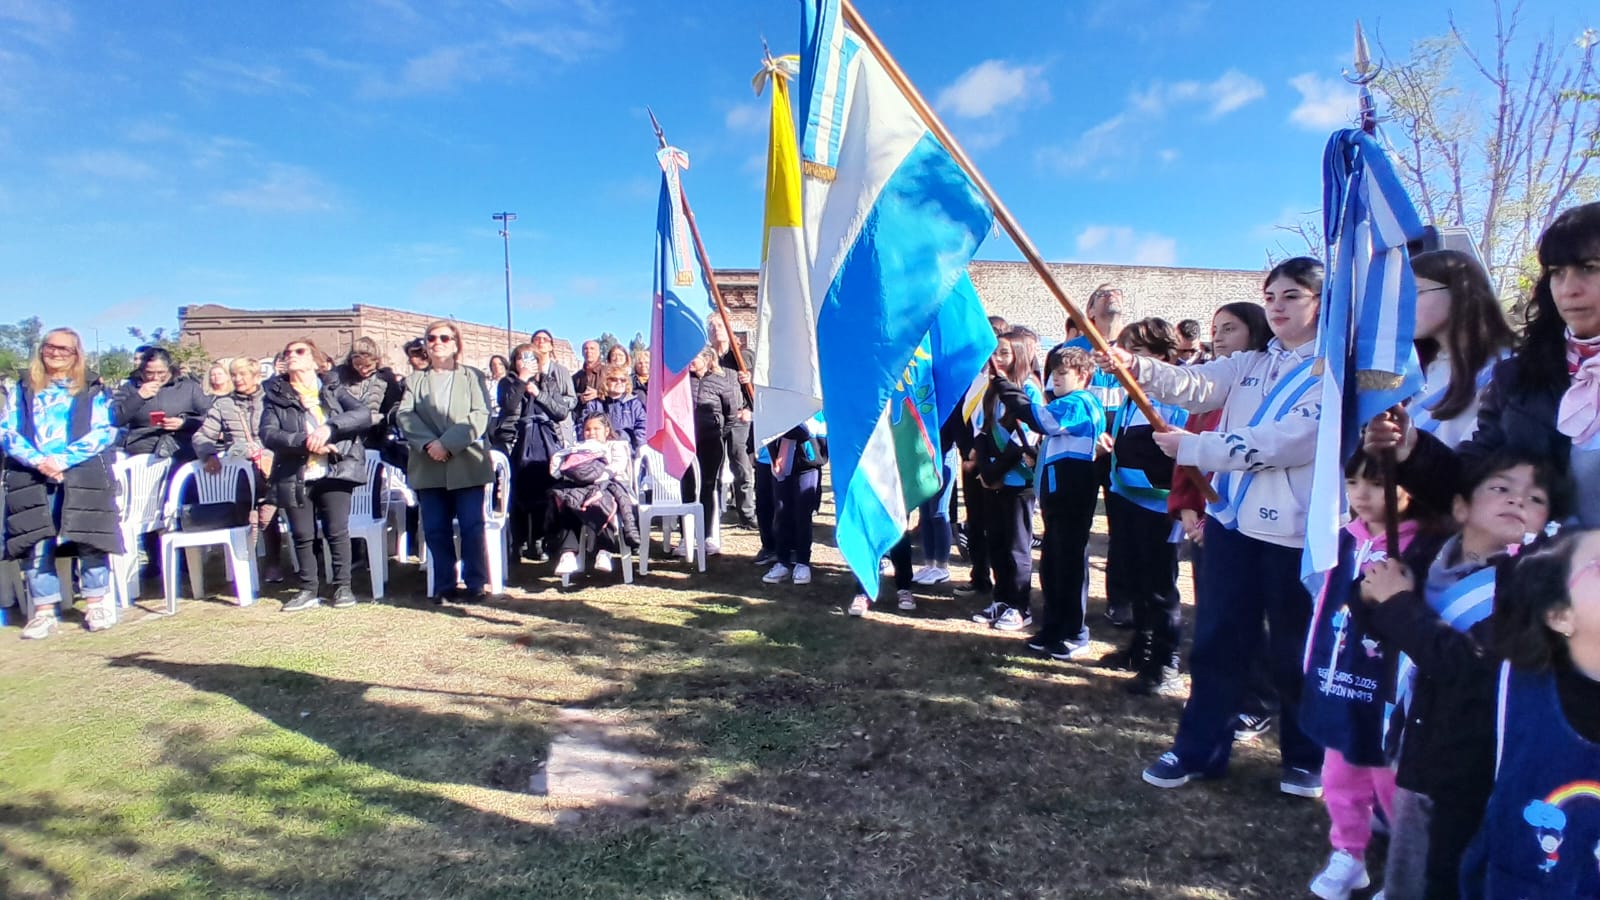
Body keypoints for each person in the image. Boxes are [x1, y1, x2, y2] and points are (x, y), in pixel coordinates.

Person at [1111, 257, 1327, 798]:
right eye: (1271, 295)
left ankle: (1305, 756)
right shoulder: (1250, 363)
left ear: (1323, 303)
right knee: (1217, 642)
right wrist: (1133, 366)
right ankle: (1199, 749)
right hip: (1233, 525)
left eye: (1292, 296)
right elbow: (1193, 385)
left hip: (1298, 535)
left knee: (1294, 649)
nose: (1277, 306)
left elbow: (1292, 439)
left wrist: (1198, 449)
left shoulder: (1334, 371)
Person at [1356, 456, 1570, 899]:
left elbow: (1468, 667)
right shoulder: (1428, 553)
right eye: (1501, 488)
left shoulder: (1526, 589)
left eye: (1536, 498)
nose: (1517, 499)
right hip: (1413, 735)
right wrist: (1369, 595)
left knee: (1447, 865)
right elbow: (1376, 614)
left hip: (1469, 757)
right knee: (1410, 848)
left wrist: (1396, 603)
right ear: (1460, 508)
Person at [1368, 202, 1600, 530]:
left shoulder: (1495, 364)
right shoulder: (1520, 377)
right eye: (1557, 272)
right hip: (1550, 572)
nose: (1569, 288)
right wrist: (1413, 451)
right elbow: (1473, 483)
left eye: (1590, 267)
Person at [1296, 449, 1448, 900]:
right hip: (1339, 679)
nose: (1361, 495)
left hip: (1388, 691)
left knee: (1390, 779)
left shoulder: (1425, 548)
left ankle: (1404, 869)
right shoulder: (1340, 538)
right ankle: (1348, 853)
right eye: (1353, 483)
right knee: (1339, 772)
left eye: (1376, 483)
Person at [1165, 302, 1277, 737]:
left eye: (1230, 328)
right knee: (1213, 611)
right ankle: (1215, 694)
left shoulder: (1265, 392)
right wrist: (1192, 511)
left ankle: (1258, 698)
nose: (1219, 336)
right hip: (1205, 519)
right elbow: (1188, 458)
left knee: (1249, 615)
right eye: (1215, 329)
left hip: (1247, 520)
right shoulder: (1210, 390)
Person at [2, 329, 121, 639]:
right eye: (50, 347)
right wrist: (39, 461)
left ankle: (96, 603)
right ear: (41, 350)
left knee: (89, 537)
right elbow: (8, 431)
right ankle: (43, 611)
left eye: (64, 349)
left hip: (80, 473)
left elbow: (104, 431)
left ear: (76, 353)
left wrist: (62, 460)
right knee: (36, 541)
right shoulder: (24, 387)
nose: (56, 353)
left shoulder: (92, 388)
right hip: (33, 475)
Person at [1102, 319, 1191, 692]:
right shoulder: (1130, 396)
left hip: (1159, 507)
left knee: (1159, 586)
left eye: (1136, 352)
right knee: (1135, 579)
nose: (1128, 360)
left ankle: (1166, 664)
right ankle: (1141, 647)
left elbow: (1186, 451)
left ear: (1160, 355)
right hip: (1127, 498)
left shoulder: (1177, 396)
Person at [260, 338, 372, 612]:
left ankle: (342, 588)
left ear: (314, 360)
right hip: (295, 470)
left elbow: (362, 414)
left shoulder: (332, 387)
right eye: (288, 352)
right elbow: (268, 433)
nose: (292, 356)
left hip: (334, 467)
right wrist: (305, 440)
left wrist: (330, 428)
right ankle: (308, 589)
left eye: (300, 351)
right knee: (302, 533)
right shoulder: (275, 394)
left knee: (336, 530)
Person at [1010, 345, 1104, 660]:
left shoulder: (1081, 402)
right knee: (1052, 565)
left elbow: (1043, 421)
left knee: (1070, 564)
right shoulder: (1066, 402)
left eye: (1063, 374)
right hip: (1055, 496)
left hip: (1072, 493)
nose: (1056, 380)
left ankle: (1075, 633)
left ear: (1084, 375)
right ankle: (1053, 626)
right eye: (1053, 374)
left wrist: (1012, 394)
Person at [396, 320, 494, 602]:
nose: (437, 342)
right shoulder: (415, 381)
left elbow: (479, 415)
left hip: (466, 464)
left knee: (471, 527)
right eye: (431, 338)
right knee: (436, 529)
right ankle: (444, 585)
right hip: (428, 464)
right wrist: (429, 444)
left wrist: (447, 444)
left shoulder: (472, 377)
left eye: (444, 337)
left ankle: (475, 582)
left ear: (455, 344)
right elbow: (405, 415)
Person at [969, 327, 1044, 633]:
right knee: (996, 543)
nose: (997, 359)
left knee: (1017, 546)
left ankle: (1020, 605)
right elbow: (985, 430)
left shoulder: (1030, 390)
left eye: (1004, 353)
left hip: (1018, 482)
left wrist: (997, 471)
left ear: (1019, 355)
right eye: (995, 352)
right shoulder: (992, 390)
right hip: (993, 480)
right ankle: (1001, 598)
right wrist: (986, 472)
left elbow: (1025, 437)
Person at [1406, 249, 1518, 449]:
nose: (1404, 304)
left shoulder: (1505, 367)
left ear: (1460, 292)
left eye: (1415, 292)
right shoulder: (1422, 368)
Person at [192, 356, 285, 583]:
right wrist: (208, 454)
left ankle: (274, 562)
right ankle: (243, 563)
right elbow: (202, 435)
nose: (238, 379)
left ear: (256, 376)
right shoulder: (224, 404)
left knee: (269, 512)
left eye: (243, 374)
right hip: (241, 470)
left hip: (270, 467)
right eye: (234, 374)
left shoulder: (271, 400)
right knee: (243, 510)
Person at [496, 339, 574, 563]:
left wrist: (538, 393)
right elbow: (509, 407)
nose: (526, 362)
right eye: (521, 357)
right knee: (516, 493)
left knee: (544, 490)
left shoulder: (548, 382)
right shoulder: (507, 382)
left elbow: (560, 411)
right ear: (515, 362)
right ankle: (516, 542)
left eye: (531, 358)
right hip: (515, 441)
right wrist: (521, 382)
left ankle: (538, 540)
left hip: (543, 442)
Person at [954, 314, 1010, 603]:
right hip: (970, 460)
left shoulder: (1006, 382)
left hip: (993, 461)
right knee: (975, 521)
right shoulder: (971, 376)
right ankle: (979, 576)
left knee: (997, 526)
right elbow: (961, 417)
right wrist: (967, 452)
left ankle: (1005, 586)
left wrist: (980, 453)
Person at [547, 412, 638, 577]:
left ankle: (604, 549)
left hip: (609, 486)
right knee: (569, 501)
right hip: (580, 487)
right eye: (588, 429)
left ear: (606, 430)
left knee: (600, 501)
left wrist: (600, 477)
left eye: (597, 428)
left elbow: (618, 465)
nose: (592, 433)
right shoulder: (579, 448)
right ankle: (568, 554)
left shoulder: (615, 446)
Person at [680, 346, 740, 556]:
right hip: (687, 443)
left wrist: (719, 433)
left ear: (706, 359)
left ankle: (707, 536)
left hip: (711, 442)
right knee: (687, 487)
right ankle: (686, 536)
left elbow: (731, 414)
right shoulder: (682, 382)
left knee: (707, 487)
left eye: (694, 358)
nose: (691, 362)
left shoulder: (720, 382)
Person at [112, 346, 212, 461]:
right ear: (141, 371)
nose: (155, 378)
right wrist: (139, 397)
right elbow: (115, 418)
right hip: (142, 451)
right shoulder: (130, 388)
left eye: (161, 373)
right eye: (149, 373)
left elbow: (211, 417)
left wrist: (185, 423)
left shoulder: (188, 387)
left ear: (170, 369)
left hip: (182, 449)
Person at [760, 415, 825, 587]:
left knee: (802, 515)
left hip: (807, 465)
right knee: (781, 513)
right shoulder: (777, 406)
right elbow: (767, 429)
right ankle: (782, 560)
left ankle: (803, 562)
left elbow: (807, 433)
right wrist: (774, 454)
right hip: (781, 468)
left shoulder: (814, 410)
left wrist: (787, 427)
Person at [707, 316, 757, 529]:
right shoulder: (707, 358)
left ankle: (746, 514)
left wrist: (750, 409)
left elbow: (758, 386)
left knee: (742, 468)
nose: (716, 330)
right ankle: (713, 515)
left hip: (738, 419)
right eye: (712, 327)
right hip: (714, 420)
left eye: (720, 325)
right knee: (713, 469)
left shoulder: (742, 356)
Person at [335, 337, 404, 463]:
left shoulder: (385, 378)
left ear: (377, 361)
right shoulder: (340, 376)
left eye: (368, 365)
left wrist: (379, 419)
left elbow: (394, 407)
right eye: (358, 365)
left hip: (374, 437)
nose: (363, 369)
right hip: (344, 436)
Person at [580, 364, 647, 452]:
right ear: (606, 381)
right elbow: (583, 427)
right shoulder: (594, 404)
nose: (619, 382)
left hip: (627, 450)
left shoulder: (634, 404)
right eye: (614, 379)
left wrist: (640, 449)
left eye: (623, 380)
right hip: (598, 451)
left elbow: (642, 427)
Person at [573, 339, 603, 404]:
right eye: (585, 349)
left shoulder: (608, 372)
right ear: (582, 353)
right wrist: (580, 397)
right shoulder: (576, 377)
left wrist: (599, 394)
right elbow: (570, 395)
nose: (589, 351)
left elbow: (617, 393)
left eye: (592, 348)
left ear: (598, 353)